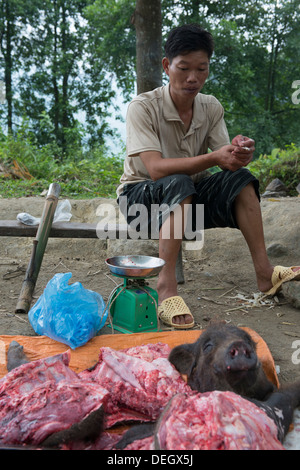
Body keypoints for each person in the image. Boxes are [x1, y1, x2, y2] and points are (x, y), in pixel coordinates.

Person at [116, 24, 300, 329]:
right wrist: (215, 157)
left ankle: (265, 272)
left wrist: (239, 152)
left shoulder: (210, 106)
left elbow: (226, 159)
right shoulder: (143, 107)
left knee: (241, 179)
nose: (193, 78)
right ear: (167, 66)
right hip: (141, 203)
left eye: (201, 69)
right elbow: (156, 169)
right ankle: (166, 287)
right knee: (177, 180)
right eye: (184, 68)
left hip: (189, 201)